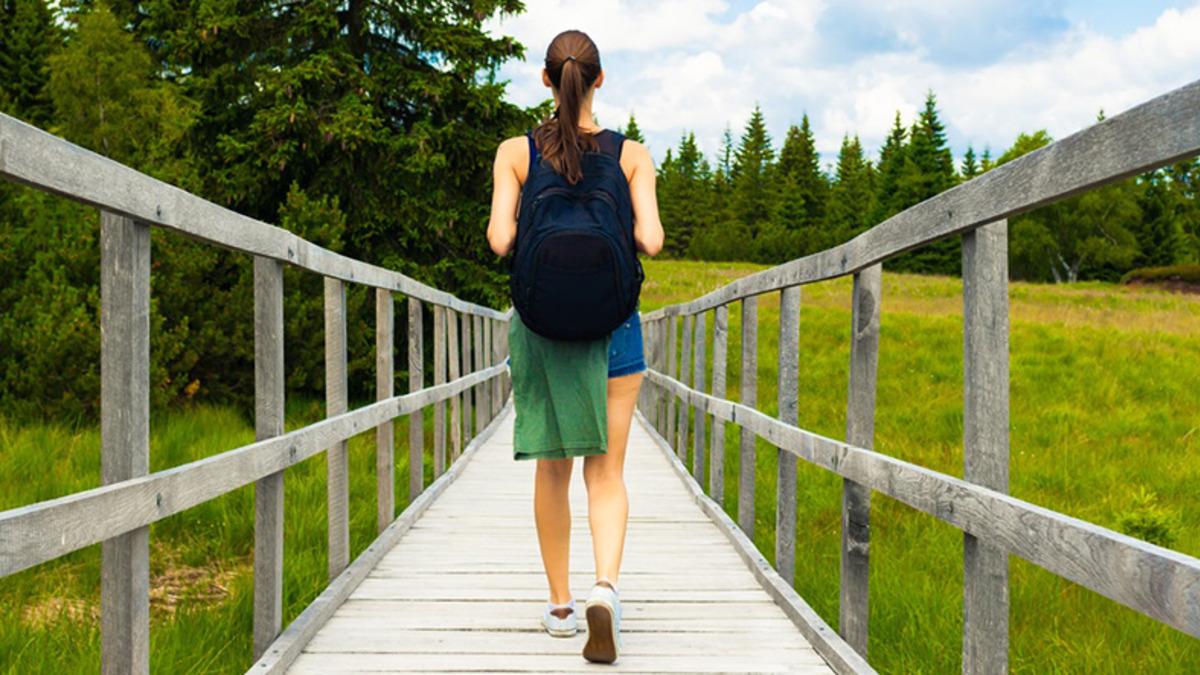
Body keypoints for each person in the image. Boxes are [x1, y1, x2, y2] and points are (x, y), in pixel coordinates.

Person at [485, 28, 664, 665]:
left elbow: (501, 241)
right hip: (614, 325)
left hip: (541, 329)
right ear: (599, 80)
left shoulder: (516, 151)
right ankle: (605, 591)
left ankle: (561, 607)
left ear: (545, 81)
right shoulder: (631, 154)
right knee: (607, 471)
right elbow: (652, 241)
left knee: (552, 468)